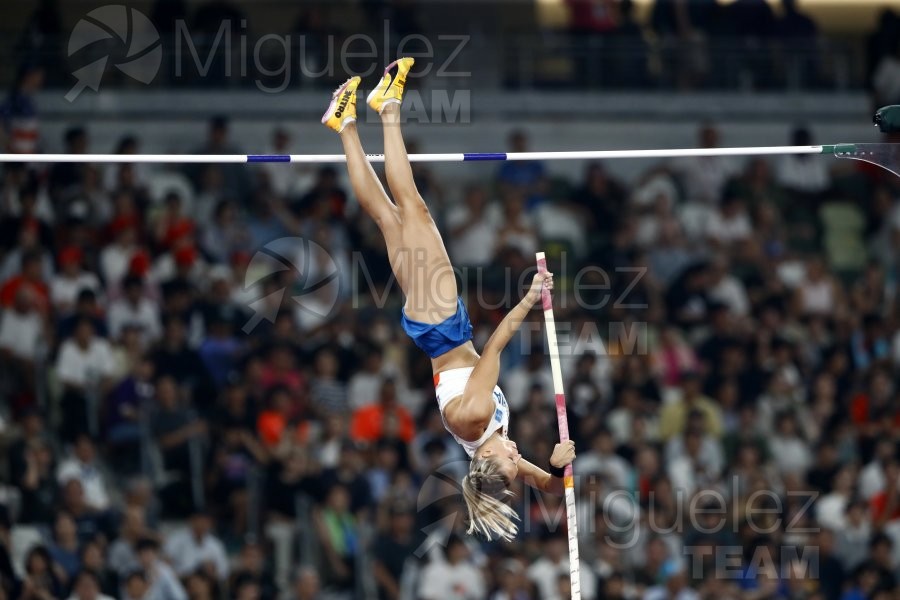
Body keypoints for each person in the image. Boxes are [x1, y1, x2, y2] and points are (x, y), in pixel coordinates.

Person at [321, 57, 576, 542]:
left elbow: (496, 346)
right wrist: (560, 468)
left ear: (487, 461)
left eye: (510, 460)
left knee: (413, 209)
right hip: (437, 329)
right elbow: (548, 483)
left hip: (441, 324)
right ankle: (344, 123)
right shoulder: (493, 446)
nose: (516, 454)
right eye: (516, 462)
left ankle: (388, 108)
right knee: (388, 218)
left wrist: (529, 299)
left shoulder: (475, 418)